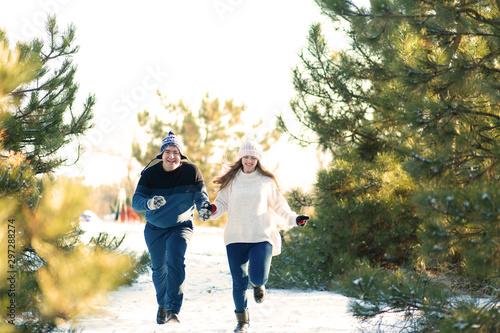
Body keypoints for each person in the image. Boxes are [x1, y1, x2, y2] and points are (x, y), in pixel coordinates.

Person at [207, 139, 309, 333]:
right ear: (240, 158)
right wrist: (212, 209)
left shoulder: (266, 181)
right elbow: (220, 204)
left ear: (258, 159)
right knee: (238, 282)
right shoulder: (232, 180)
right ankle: (242, 321)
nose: (249, 161)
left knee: (258, 276)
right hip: (235, 237)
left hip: (261, 236)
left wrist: (295, 219)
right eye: (245, 156)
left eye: (253, 157)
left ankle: (259, 284)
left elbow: (280, 207)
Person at [132, 131, 213, 325]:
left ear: (181, 154)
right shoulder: (150, 174)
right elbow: (136, 201)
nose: (171, 156)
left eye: (175, 152)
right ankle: (162, 305)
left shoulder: (192, 171)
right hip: (154, 228)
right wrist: (149, 203)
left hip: (181, 226)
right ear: (161, 154)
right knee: (159, 268)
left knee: (175, 260)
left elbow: (201, 196)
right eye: (167, 151)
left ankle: (173, 309)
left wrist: (204, 207)